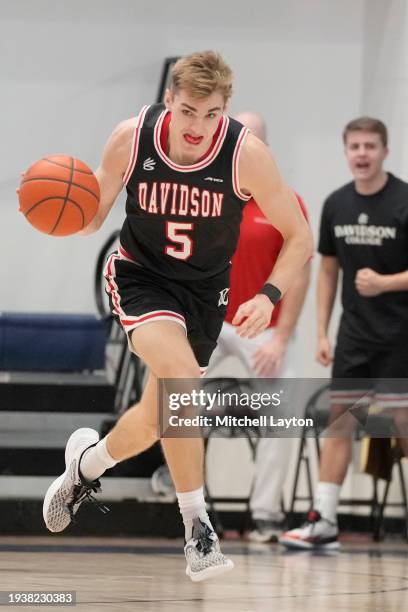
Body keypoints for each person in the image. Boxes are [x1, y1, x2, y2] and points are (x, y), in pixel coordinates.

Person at [41, 51, 312, 579]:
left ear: (225, 108)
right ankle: (197, 528)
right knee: (183, 383)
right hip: (141, 278)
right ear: (170, 100)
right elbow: (92, 214)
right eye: (188, 111)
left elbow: (300, 236)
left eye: (211, 114)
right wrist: (61, 211)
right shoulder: (133, 136)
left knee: (157, 416)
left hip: (204, 294)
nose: (198, 126)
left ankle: (85, 467)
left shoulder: (244, 155)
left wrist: (268, 295)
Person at [280, 117, 408, 550]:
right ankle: (324, 521)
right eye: (355, 146)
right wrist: (321, 331)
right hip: (354, 336)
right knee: (342, 423)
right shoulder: (336, 203)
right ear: (346, 152)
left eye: (370, 146)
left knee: (403, 427)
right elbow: (328, 271)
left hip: (400, 336)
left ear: (385, 151)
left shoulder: (404, 200)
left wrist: (386, 283)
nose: (362, 154)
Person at [206, 111, 311, 542]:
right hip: (212, 322)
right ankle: (184, 504)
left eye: (252, 138)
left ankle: (266, 513)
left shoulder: (284, 199)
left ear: (263, 147)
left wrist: (282, 337)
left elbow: (301, 271)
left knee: (280, 417)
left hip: (261, 326)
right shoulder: (209, 194)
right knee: (166, 396)